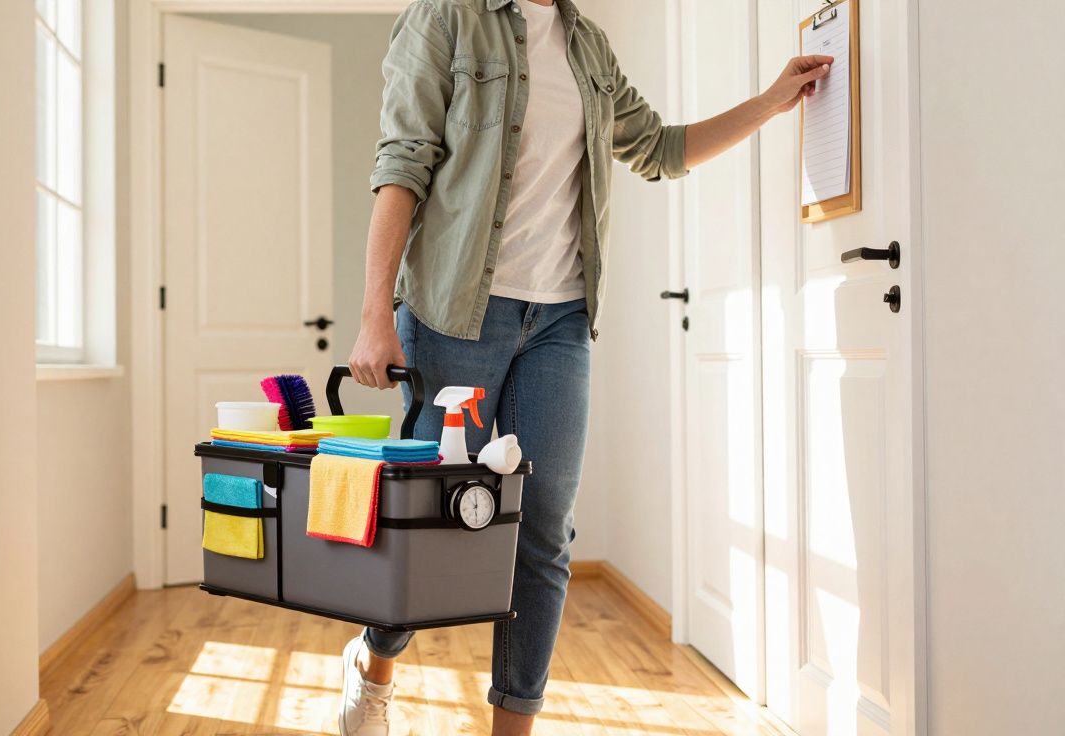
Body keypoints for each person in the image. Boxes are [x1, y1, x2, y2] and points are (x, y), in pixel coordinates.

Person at [340, 1, 831, 733]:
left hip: (560, 320)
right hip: (452, 312)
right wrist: (375, 313)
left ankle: (514, 726)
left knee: (543, 530)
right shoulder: (447, 16)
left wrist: (770, 100)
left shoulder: (589, 47)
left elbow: (660, 149)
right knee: (429, 521)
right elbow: (402, 160)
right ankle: (375, 666)